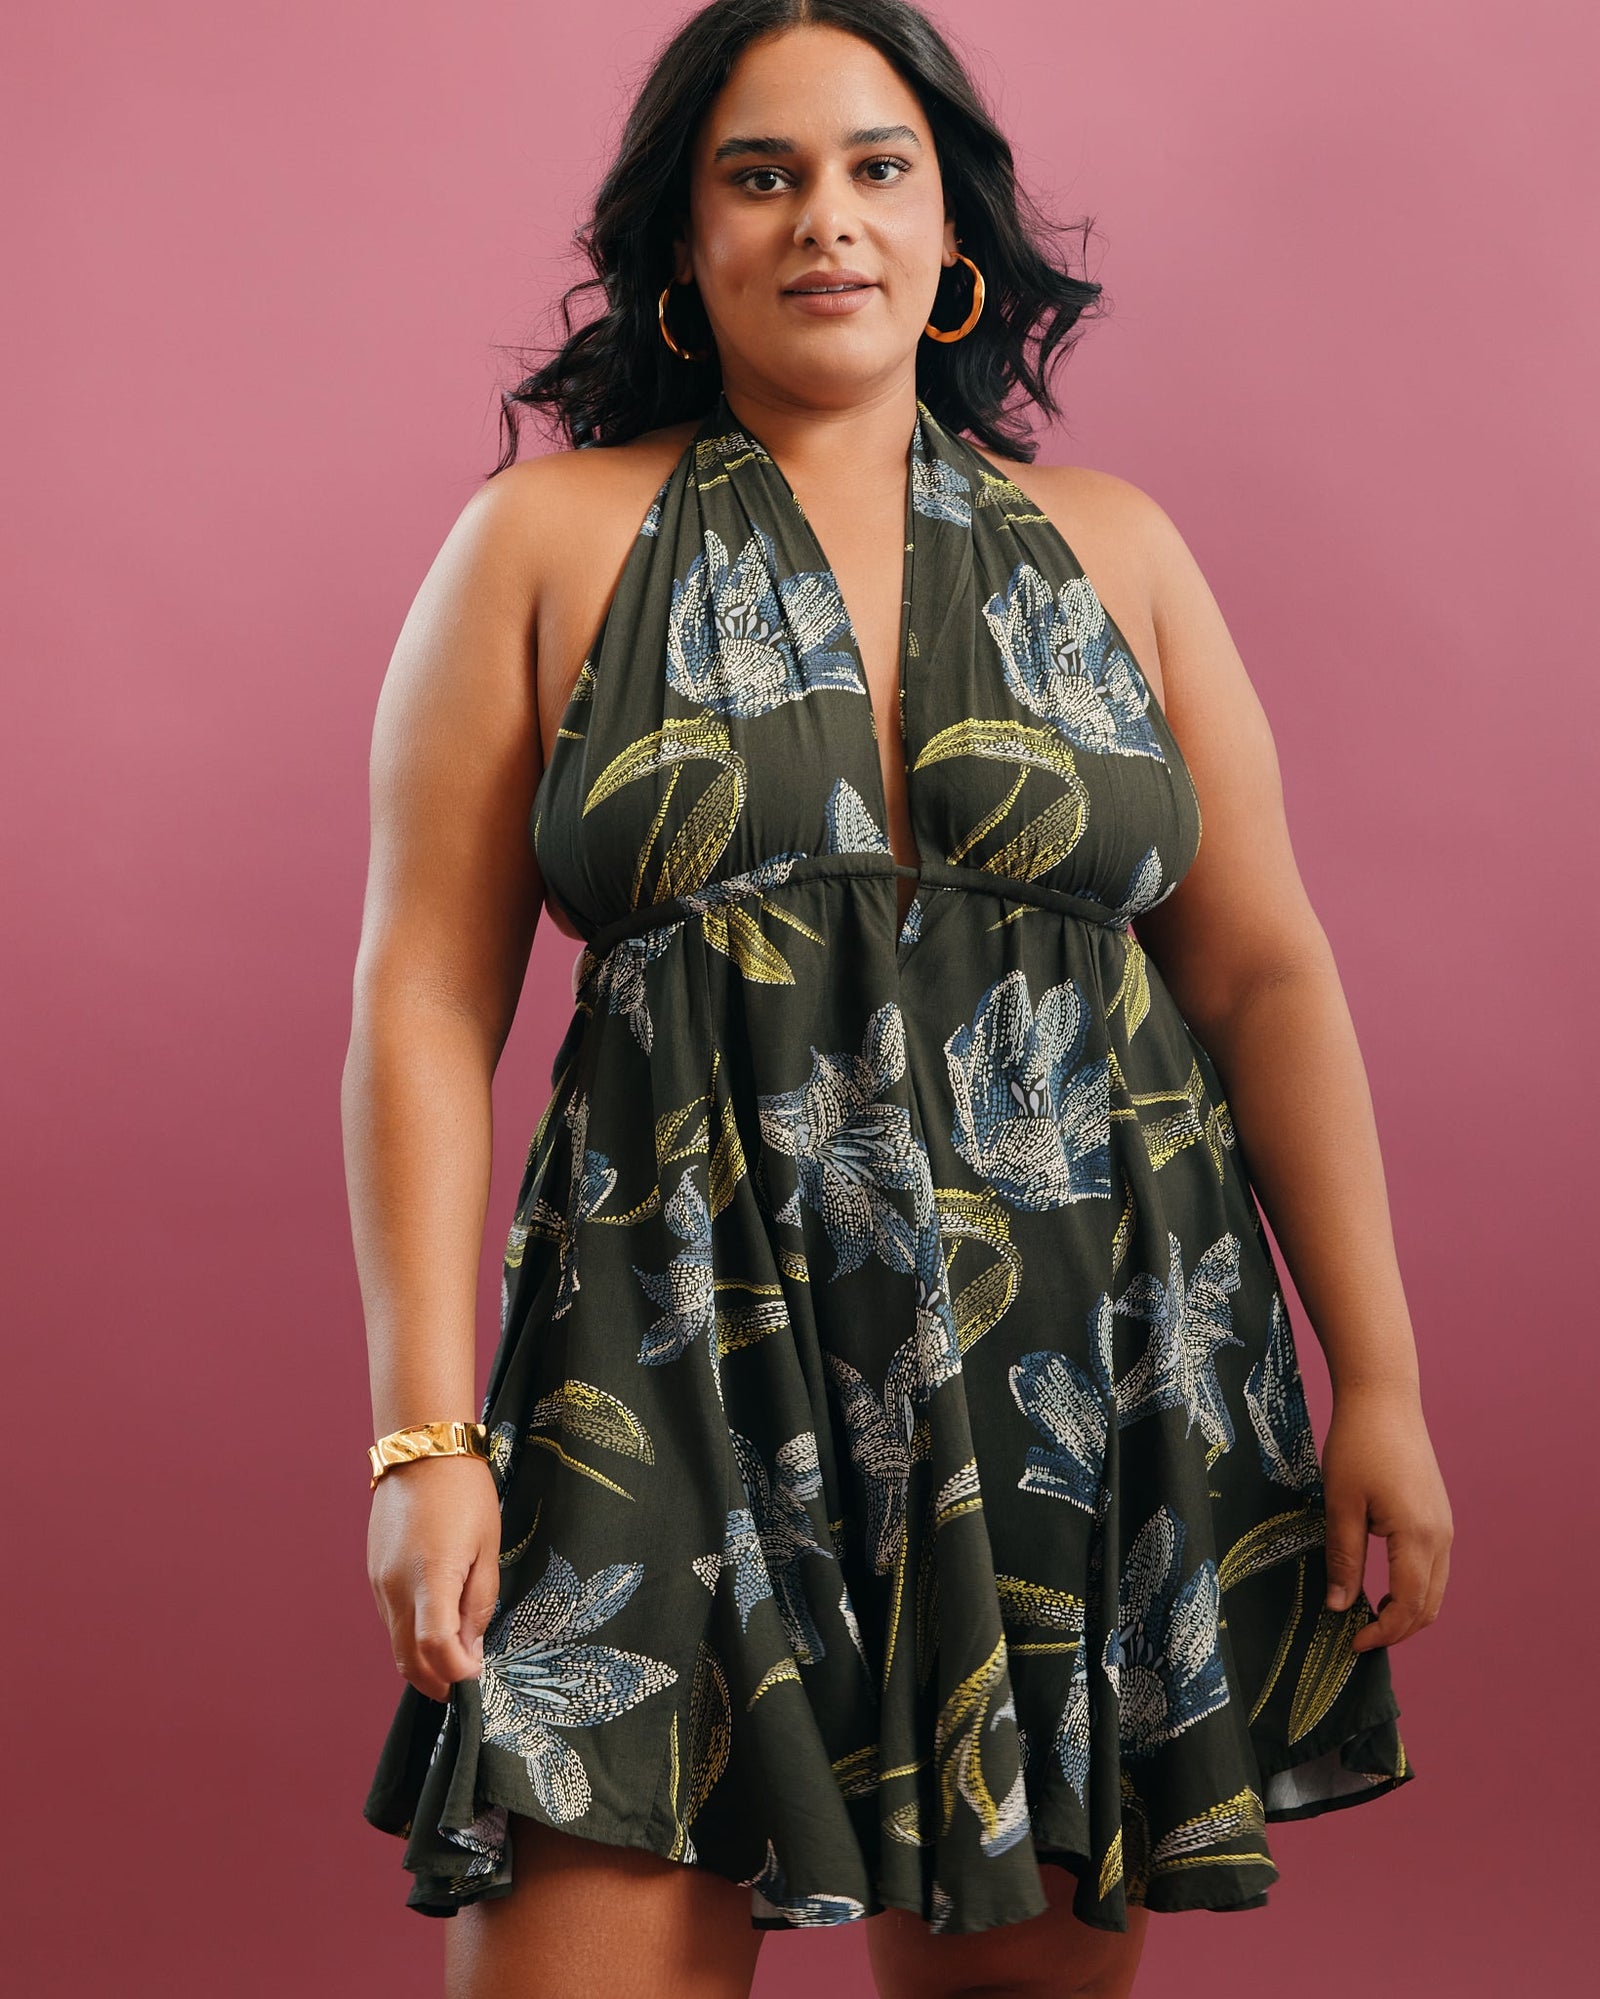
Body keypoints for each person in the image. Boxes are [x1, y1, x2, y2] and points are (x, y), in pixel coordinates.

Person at [344, 4, 1453, 1994]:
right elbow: (422, 1000)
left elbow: (1260, 969)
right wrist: (425, 1439)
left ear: (953, 237)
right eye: (759, 177)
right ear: (683, 245)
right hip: (671, 1349)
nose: (823, 219)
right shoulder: (541, 542)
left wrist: (1375, 1375)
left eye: (876, 169)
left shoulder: (1115, 551)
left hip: (1073, 1352)